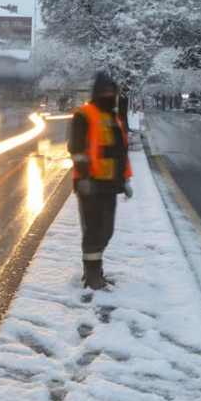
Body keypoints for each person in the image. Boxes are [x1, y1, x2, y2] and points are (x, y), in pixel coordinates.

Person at [68, 72, 133, 290]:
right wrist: (84, 176)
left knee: (107, 231)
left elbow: (120, 152)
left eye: (111, 91)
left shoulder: (115, 119)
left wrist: (125, 180)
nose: (109, 94)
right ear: (97, 92)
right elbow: (76, 149)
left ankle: (96, 269)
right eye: (105, 90)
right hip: (91, 184)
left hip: (110, 185)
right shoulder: (84, 115)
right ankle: (92, 274)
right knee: (94, 230)